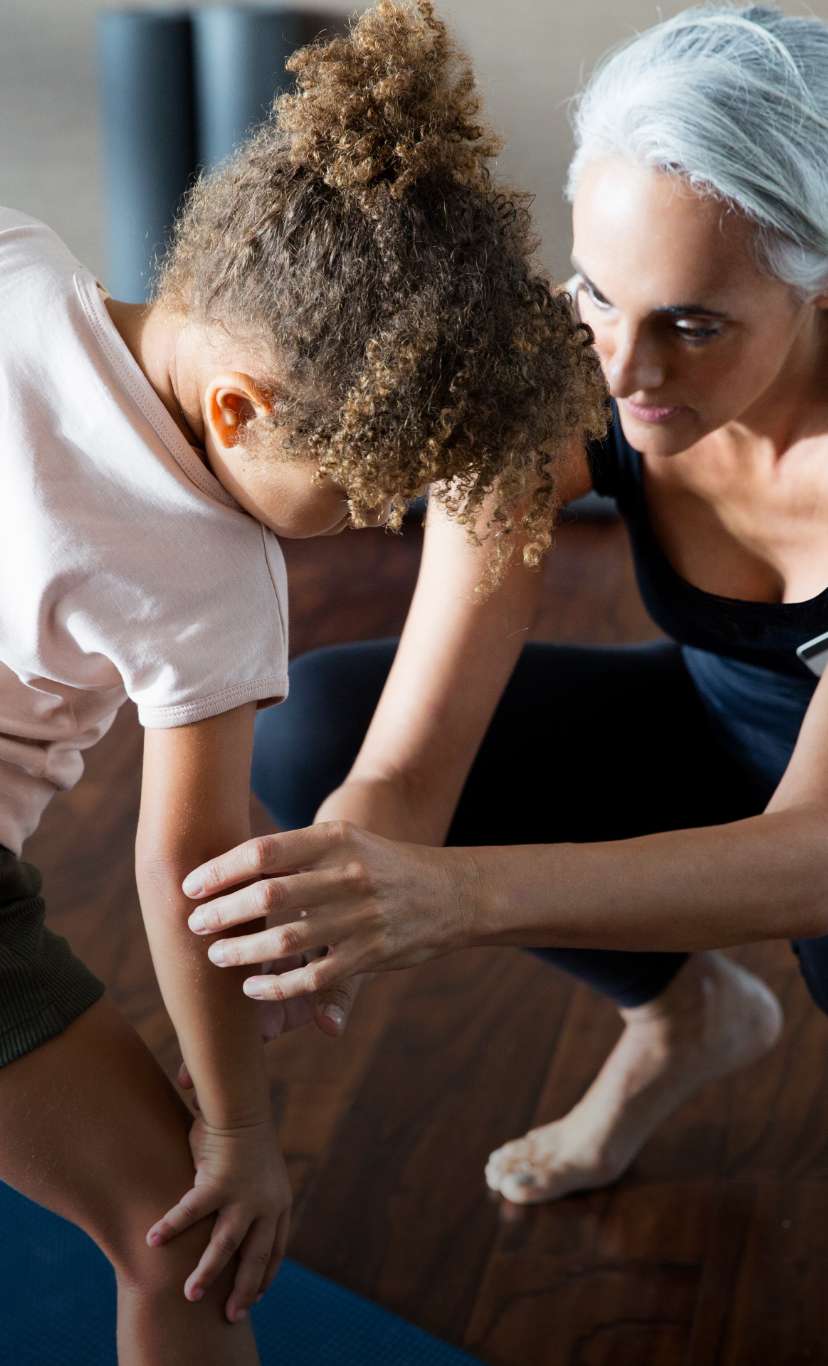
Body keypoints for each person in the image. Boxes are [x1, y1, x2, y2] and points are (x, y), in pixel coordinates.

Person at [0, 3, 602, 1361]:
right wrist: (238, 1127)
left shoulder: (16, 257)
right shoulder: (210, 575)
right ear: (240, 411)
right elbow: (186, 860)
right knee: (187, 1243)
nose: (381, 524)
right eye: (365, 490)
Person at [178, 2, 828, 1211]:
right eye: (598, 296)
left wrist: (458, 900)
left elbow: (818, 857)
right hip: (725, 734)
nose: (626, 373)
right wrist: (334, 904)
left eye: (693, 324)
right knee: (318, 721)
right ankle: (684, 1021)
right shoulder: (567, 367)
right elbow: (412, 767)